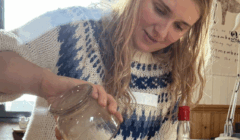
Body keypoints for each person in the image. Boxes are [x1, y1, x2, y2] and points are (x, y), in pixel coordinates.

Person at [0, 0, 214, 139]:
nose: (161, 32)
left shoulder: (176, 73)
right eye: (159, 9)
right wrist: (44, 84)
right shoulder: (72, 25)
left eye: (179, 26)